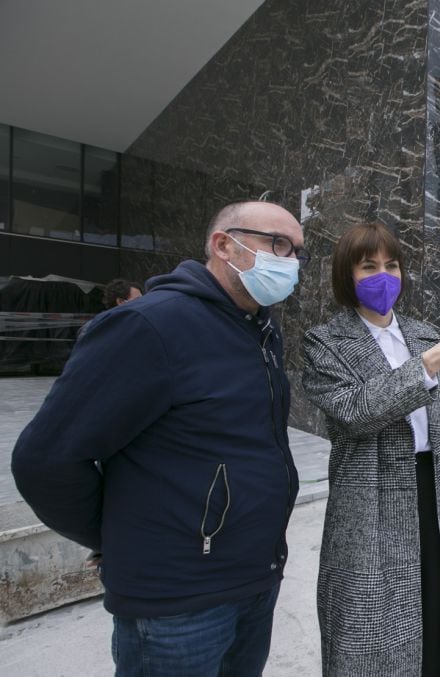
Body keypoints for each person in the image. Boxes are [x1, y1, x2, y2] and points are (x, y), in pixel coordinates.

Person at [11, 201, 306, 676]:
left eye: (297, 252)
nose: (289, 261)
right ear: (223, 244)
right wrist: (117, 534)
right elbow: (45, 460)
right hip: (177, 604)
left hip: (254, 580)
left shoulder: (259, 330)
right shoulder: (149, 326)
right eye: (276, 244)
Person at [302, 223, 440, 676]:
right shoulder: (325, 343)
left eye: (391, 265)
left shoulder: (422, 333)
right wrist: (430, 364)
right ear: (347, 275)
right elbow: (354, 410)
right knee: (379, 620)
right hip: (374, 494)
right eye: (369, 266)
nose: (383, 276)